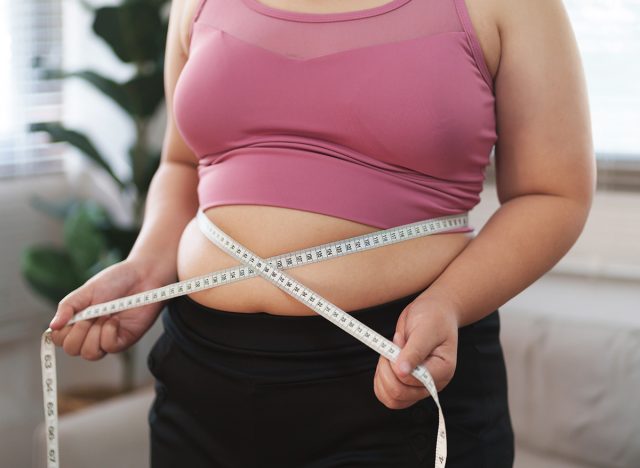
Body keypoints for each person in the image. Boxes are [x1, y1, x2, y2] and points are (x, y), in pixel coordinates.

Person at [49, 0, 595, 466]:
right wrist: (146, 267)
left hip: (395, 364)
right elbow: (184, 165)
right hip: (200, 371)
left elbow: (554, 193)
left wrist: (450, 303)